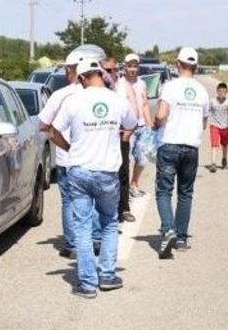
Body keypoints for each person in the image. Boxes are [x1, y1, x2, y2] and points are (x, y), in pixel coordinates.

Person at [50, 57, 138, 298]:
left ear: (81, 78)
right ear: (101, 74)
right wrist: (119, 137)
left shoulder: (73, 100)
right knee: (109, 223)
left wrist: (68, 148)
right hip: (107, 171)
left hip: (79, 170)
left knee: (82, 226)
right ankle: (107, 275)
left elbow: (53, 131)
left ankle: (87, 283)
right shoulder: (116, 99)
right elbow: (132, 123)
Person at [38, 45, 106, 259]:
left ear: (71, 70)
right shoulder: (100, 94)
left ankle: (73, 244)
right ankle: (96, 238)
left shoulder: (61, 95)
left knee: (69, 201)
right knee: (93, 199)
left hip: (67, 158)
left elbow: (43, 124)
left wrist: (64, 143)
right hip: (94, 157)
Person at [154, 47, 210, 258]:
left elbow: (161, 115)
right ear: (196, 66)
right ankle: (182, 238)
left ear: (178, 64)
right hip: (191, 146)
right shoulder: (202, 90)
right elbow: (204, 121)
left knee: (164, 191)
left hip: (169, 144)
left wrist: (156, 124)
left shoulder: (170, 87)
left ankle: (169, 229)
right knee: (185, 193)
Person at [116, 53, 154, 219]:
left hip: (141, 126)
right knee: (125, 162)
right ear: (125, 67)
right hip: (126, 128)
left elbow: (144, 104)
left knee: (142, 159)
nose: (132, 69)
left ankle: (134, 183)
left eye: (135, 66)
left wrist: (149, 124)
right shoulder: (119, 84)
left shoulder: (142, 83)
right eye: (130, 66)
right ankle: (123, 198)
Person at [209, 82, 228, 171]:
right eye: (220, 91)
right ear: (217, 91)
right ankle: (213, 163)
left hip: (225, 127)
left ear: (227, 92)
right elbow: (207, 111)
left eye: (224, 91)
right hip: (214, 125)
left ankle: (224, 159)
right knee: (214, 144)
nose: (221, 93)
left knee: (224, 144)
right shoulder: (212, 101)